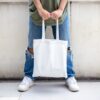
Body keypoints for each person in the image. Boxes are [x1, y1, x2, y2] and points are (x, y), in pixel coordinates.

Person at [18, 0, 79, 92]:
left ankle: (69, 76)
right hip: (37, 13)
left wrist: (61, 9)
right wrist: (40, 9)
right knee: (32, 47)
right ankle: (29, 76)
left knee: (65, 47)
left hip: (60, 12)